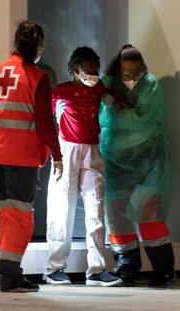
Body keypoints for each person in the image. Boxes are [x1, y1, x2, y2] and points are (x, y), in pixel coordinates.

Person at [0, 20, 63, 293]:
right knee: (20, 217)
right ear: (37, 47)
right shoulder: (37, 77)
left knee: (7, 215)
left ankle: (4, 271)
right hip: (20, 157)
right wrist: (57, 153)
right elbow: (45, 121)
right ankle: (10, 276)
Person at [44, 47, 122, 287]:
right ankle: (54, 268)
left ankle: (97, 269)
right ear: (76, 70)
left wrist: (116, 98)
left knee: (95, 207)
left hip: (92, 149)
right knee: (61, 207)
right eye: (89, 71)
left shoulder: (97, 88)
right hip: (66, 149)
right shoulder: (60, 92)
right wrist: (52, 152)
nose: (94, 75)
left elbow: (108, 93)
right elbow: (49, 120)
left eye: (96, 70)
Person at [99, 44, 175, 286]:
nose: (130, 79)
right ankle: (126, 267)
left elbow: (146, 118)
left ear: (142, 68)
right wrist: (128, 114)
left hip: (149, 159)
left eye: (135, 74)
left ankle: (163, 270)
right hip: (115, 161)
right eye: (126, 75)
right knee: (117, 213)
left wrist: (121, 115)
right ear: (118, 69)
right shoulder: (108, 83)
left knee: (149, 212)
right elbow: (105, 117)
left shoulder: (151, 84)